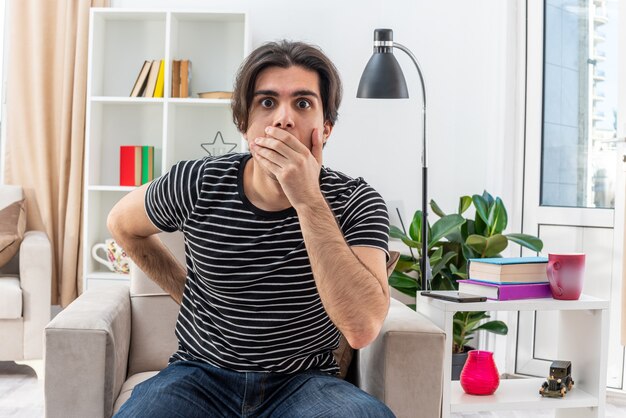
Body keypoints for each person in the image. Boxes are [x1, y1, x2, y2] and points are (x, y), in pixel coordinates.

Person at [109, 40, 394, 418]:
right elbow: (122, 224)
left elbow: (361, 329)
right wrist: (186, 290)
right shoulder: (197, 183)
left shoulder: (357, 200)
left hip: (305, 383)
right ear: (245, 124)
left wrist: (308, 200)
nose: (283, 119)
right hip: (198, 376)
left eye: (303, 103)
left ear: (325, 129)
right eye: (267, 102)